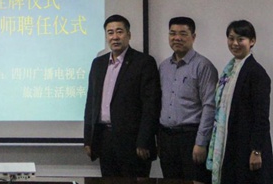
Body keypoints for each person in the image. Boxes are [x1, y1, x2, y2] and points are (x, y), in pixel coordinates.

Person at [83, 14, 160, 177]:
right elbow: (91, 104)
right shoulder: (98, 64)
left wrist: (144, 140)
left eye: (119, 31)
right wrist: (88, 139)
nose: (115, 37)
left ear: (129, 35)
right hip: (104, 139)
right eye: (110, 33)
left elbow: (151, 106)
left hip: (133, 143)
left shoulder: (143, 62)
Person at [207, 20, 273, 184]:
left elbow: (261, 116)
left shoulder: (256, 73)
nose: (235, 43)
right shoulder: (229, 70)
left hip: (248, 147)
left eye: (240, 39)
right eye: (231, 38)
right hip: (231, 142)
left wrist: (256, 150)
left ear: (252, 41)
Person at [159, 17, 217, 184]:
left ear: (193, 36)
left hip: (191, 137)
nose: (177, 38)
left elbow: (209, 106)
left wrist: (201, 142)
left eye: (183, 34)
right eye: (172, 33)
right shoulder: (164, 66)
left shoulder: (203, 66)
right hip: (166, 138)